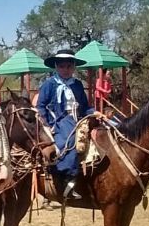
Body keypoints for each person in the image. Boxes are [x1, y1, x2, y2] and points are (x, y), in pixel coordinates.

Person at [37, 49, 102, 199]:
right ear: (56, 67)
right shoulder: (50, 84)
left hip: (79, 118)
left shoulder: (77, 84)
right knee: (70, 139)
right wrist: (46, 125)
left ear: (73, 67)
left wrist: (96, 112)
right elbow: (40, 106)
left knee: (110, 126)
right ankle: (67, 179)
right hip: (59, 121)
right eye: (62, 66)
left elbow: (85, 107)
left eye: (68, 66)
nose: (65, 70)